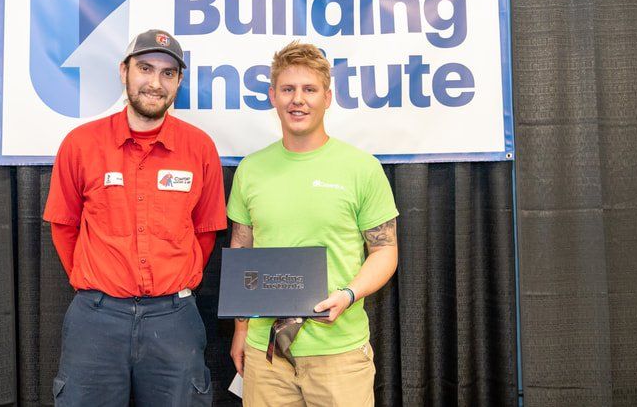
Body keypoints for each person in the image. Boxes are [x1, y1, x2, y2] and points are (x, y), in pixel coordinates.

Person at [43, 29, 226, 407]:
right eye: (145, 68)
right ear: (123, 71)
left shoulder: (200, 148)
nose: (155, 83)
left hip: (174, 321)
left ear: (178, 82)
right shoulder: (81, 144)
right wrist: (93, 282)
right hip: (96, 319)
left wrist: (174, 283)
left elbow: (206, 232)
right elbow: (64, 226)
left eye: (168, 73)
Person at [227, 41, 399, 407]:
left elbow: (385, 250)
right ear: (273, 96)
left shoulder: (361, 168)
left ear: (328, 97)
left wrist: (349, 294)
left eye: (309, 89)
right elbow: (242, 251)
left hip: (340, 355)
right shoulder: (250, 170)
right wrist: (241, 329)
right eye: (288, 89)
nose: (297, 100)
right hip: (266, 353)